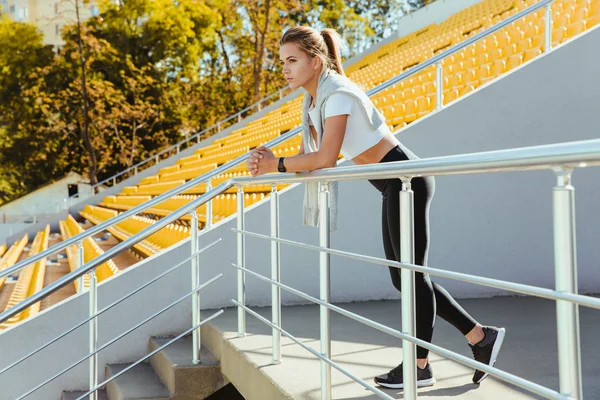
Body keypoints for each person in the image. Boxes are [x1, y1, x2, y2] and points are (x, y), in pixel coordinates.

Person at [246, 26, 505, 390]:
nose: (284, 69)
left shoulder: (337, 96)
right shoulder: (317, 99)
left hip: (407, 181)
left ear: (316, 61)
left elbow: (325, 159)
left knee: (412, 277)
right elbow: (315, 160)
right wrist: (271, 160)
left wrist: (278, 164)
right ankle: (480, 337)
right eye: (282, 62)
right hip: (392, 185)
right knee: (406, 278)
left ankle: (419, 367)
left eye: (292, 60)